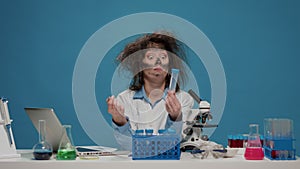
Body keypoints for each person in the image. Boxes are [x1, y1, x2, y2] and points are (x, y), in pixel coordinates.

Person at [106, 31, 194, 150]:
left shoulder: (183, 99)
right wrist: (120, 121)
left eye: (163, 57)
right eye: (151, 57)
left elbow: (175, 142)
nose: (158, 61)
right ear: (140, 65)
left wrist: (175, 117)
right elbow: (127, 146)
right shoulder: (125, 98)